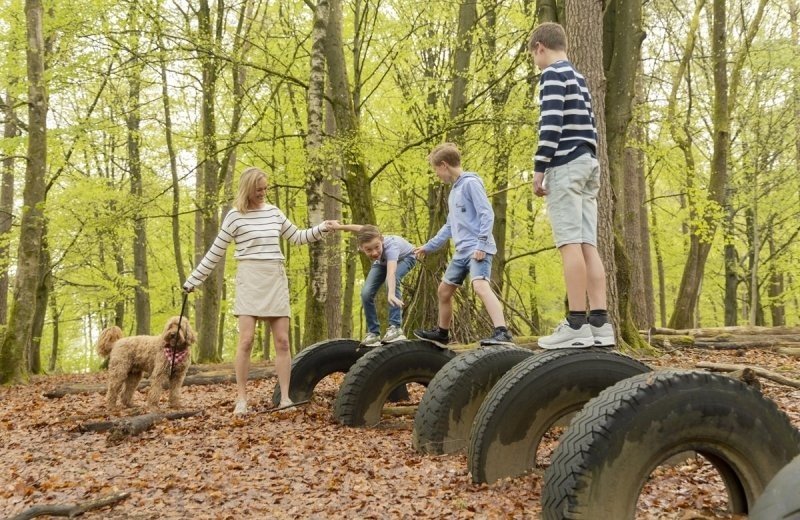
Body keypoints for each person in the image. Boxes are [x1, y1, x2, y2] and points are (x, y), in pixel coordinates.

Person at [183, 166, 338, 415]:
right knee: (246, 341)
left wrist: (322, 227)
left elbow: (297, 237)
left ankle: (285, 398)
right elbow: (215, 252)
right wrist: (193, 280)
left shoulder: (274, 212)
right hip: (249, 278)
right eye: (258, 189)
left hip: (274, 276)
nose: (263, 192)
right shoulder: (234, 216)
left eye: (265, 188)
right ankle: (241, 399)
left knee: (283, 341)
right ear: (247, 189)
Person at [528, 22, 615, 349]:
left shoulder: (552, 75)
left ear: (540, 47)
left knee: (569, 244)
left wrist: (540, 168)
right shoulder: (578, 77)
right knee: (587, 244)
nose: (536, 62)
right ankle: (600, 324)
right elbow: (592, 126)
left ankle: (577, 322)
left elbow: (550, 124)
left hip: (565, 164)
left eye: (534, 55)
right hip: (588, 162)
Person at [413, 143, 513, 347]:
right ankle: (442, 333)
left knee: (480, 286)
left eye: (436, 169)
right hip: (462, 252)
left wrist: (482, 244)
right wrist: (428, 247)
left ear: (444, 165)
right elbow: (449, 226)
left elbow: (487, 214)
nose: (437, 174)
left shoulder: (470, 184)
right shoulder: (454, 191)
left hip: (478, 248)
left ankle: (502, 332)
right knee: (444, 291)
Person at [330, 223, 416, 346]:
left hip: (406, 258)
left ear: (381, 239)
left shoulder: (391, 247)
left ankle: (395, 327)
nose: (374, 252)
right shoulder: (369, 235)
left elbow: (391, 273)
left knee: (392, 279)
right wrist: (339, 227)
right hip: (382, 262)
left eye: (377, 247)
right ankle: (373, 333)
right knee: (366, 293)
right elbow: (360, 228)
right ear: (361, 247)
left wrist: (391, 294)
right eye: (368, 250)